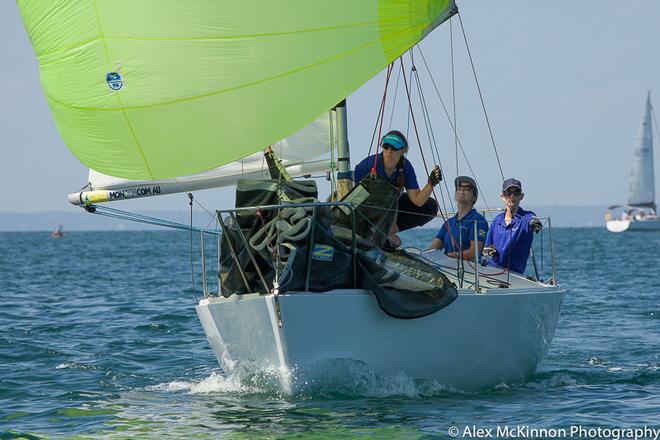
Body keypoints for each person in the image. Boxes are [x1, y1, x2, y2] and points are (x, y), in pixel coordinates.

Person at [353, 130, 441, 247]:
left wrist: (431, 183)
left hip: (390, 210)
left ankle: (385, 232)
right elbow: (356, 199)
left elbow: (417, 201)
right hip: (369, 210)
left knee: (430, 206)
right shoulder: (367, 165)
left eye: (394, 148)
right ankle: (373, 232)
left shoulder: (406, 166)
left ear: (402, 151)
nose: (389, 151)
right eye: (386, 146)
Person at [483, 178, 543, 273]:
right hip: (492, 270)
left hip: (514, 274)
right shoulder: (497, 220)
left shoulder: (526, 217)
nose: (512, 196)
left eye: (516, 192)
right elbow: (488, 246)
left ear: (521, 196)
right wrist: (490, 251)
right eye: (508, 193)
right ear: (502, 196)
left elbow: (532, 219)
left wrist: (535, 223)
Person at [427, 176, 488, 260]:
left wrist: (446, 257)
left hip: (469, 269)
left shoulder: (478, 220)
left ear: (474, 197)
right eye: (459, 187)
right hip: (448, 267)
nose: (462, 189)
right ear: (455, 194)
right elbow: (432, 250)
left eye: (467, 188)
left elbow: (473, 253)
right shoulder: (449, 223)